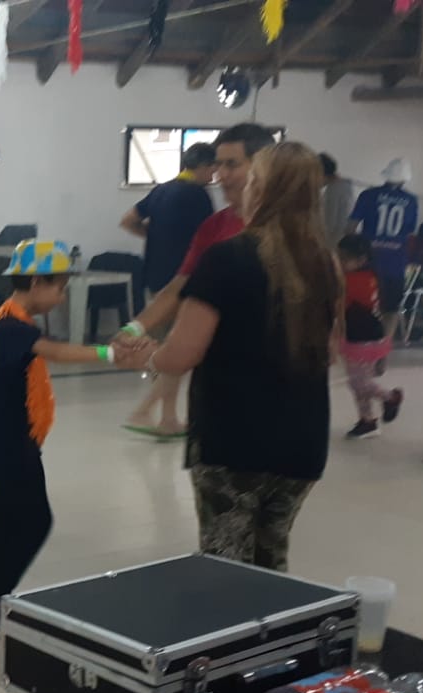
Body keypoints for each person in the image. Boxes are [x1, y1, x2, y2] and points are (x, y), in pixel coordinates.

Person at [115, 142, 342, 572]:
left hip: (235, 438)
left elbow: (182, 354)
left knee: (226, 567)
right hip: (303, 439)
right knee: (271, 558)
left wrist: (146, 357)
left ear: (262, 189)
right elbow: (330, 348)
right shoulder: (325, 262)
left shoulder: (228, 257)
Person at [0, 241, 114, 635]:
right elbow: (55, 352)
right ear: (35, 282)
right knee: (34, 522)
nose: (61, 296)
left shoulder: (13, 321)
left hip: (6, 442)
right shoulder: (11, 326)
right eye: (58, 288)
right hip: (9, 446)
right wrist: (109, 354)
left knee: (8, 521)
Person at [113, 123, 278, 409]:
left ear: (262, 167)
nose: (221, 175)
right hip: (217, 374)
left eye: (231, 165)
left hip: (272, 375)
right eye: (218, 165)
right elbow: (181, 283)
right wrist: (134, 328)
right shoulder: (214, 225)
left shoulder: (287, 228)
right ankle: (162, 414)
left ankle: (158, 412)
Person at [117, 143, 216, 437]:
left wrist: (155, 236)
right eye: (214, 167)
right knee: (180, 352)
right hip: (183, 281)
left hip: (155, 278)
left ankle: (168, 418)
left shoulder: (161, 190)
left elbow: (128, 220)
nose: (215, 174)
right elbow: (210, 239)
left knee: (166, 350)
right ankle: (145, 411)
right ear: (203, 166)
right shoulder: (198, 195)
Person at [337, 235, 403, 440]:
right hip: (358, 335)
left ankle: (390, 397)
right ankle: (367, 421)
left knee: (359, 383)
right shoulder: (368, 275)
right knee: (358, 382)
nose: (341, 262)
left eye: (345, 258)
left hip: (364, 337)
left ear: (362, 259)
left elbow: (343, 302)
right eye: (340, 257)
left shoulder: (356, 279)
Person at [350, 158, 419, 310]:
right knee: (391, 310)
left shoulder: (368, 195)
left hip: (368, 261)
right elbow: (409, 232)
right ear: (404, 179)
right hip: (395, 264)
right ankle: (388, 327)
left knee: (361, 307)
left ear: (386, 176)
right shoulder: (412, 201)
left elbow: (350, 228)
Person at [319, 154, 355, 243]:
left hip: (333, 241)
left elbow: (329, 223)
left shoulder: (333, 190)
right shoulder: (345, 186)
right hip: (341, 239)